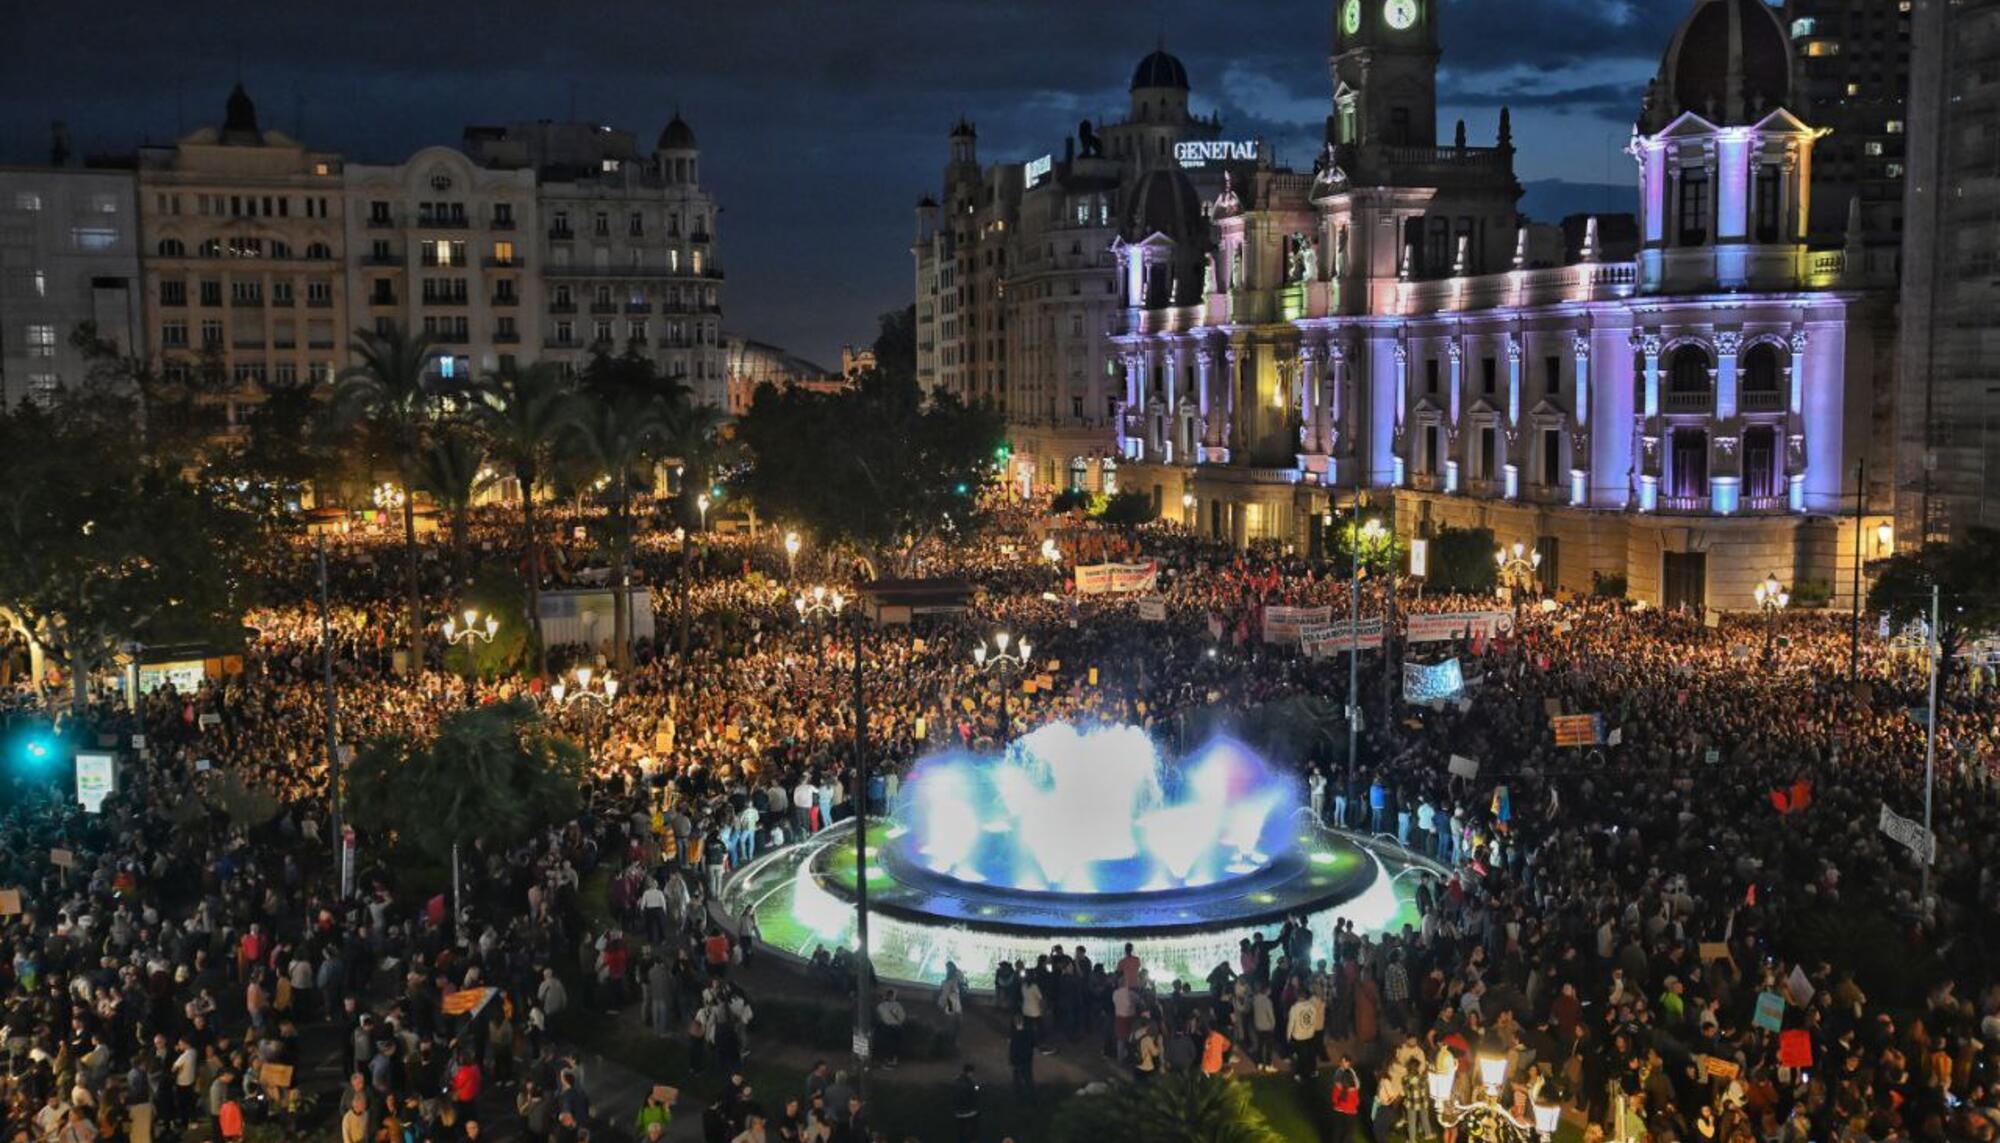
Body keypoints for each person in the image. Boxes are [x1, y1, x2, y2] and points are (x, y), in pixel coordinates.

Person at [1329, 1054, 1362, 1143]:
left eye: (1344, 1061)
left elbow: (1334, 1099)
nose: (1342, 1063)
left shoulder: (1338, 1087)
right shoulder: (1353, 1091)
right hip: (1350, 1113)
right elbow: (1356, 1101)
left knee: (1337, 1130)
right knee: (1348, 1133)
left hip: (1338, 1111)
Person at [950, 1063, 981, 1143]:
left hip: (958, 1112)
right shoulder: (970, 1083)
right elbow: (974, 1094)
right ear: (970, 1072)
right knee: (972, 1133)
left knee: (960, 1132)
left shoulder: (956, 1081)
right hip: (969, 1112)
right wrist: (977, 1087)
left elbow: (954, 1096)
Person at [1008, 1015, 1036, 1098]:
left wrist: (1011, 1059)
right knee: (1028, 1076)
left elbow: (1012, 1048)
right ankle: (1031, 1094)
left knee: (1017, 1077)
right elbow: (1033, 1044)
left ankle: (1018, 1093)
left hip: (1017, 1059)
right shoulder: (1028, 1033)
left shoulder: (1013, 1035)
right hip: (1027, 1057)